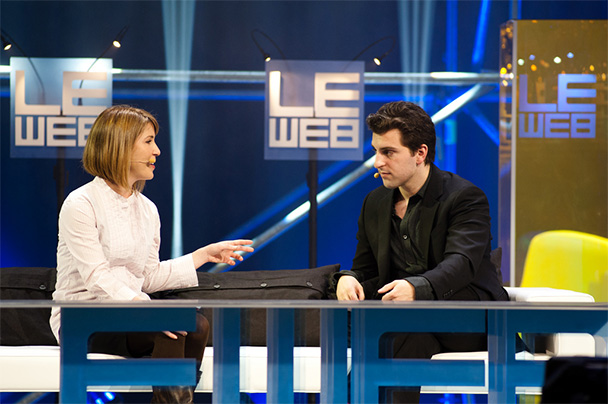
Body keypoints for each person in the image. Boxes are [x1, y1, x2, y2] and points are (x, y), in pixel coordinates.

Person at [50, 105, 254, 404]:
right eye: (148, 141)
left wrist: (203, 255)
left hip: (131, 316)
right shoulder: (81, 203)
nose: (157, 150)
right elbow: (96, 277)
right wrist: (146, 309)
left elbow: (146, 277)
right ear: (119, 146)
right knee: (170, 329)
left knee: (195, 326)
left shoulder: (147, 209)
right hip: (84, 319)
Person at [334, 101, 508, 403]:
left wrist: (416, 288)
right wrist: (349, 279)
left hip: (467, 317)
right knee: (396, 335)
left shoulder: (465, 197)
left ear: (420, 153)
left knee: (398, 331)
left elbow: (461, 264)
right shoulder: (375, 203)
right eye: (376, 151)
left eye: (388, 152)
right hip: (408, 323)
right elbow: (366, 268)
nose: (377, 162)